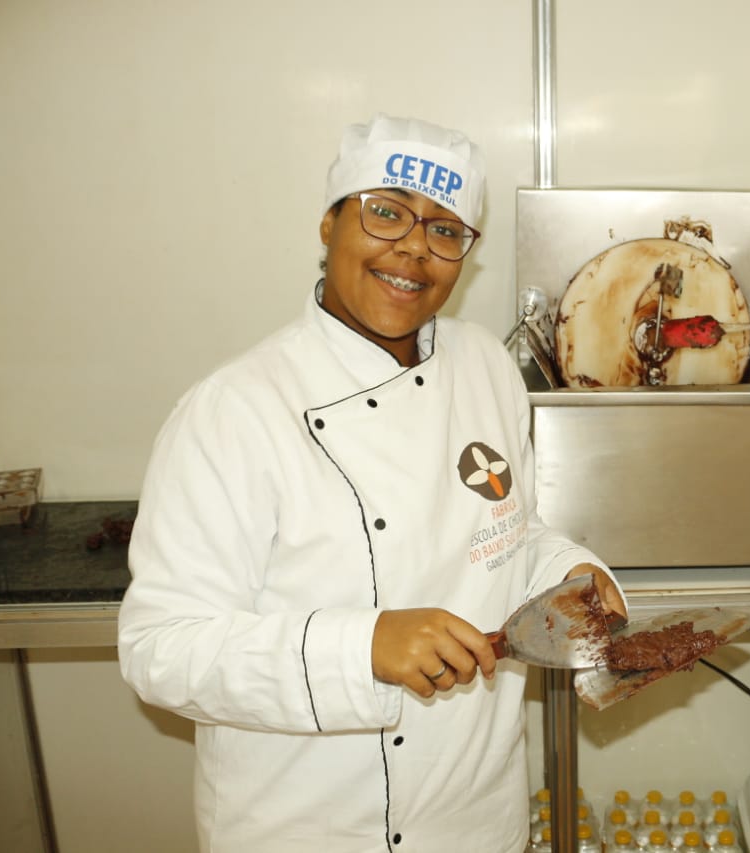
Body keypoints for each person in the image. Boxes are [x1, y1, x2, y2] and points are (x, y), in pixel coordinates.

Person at [117, 114, 626, 853]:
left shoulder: (486, 366)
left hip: (477, 819)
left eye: (445, 230)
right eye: (386, 212)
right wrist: (362, 645)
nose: (415, 248)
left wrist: (569, 573)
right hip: (309, 827)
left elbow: (509, 531)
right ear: (329, 223)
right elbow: (160, 649)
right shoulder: (235, 410)